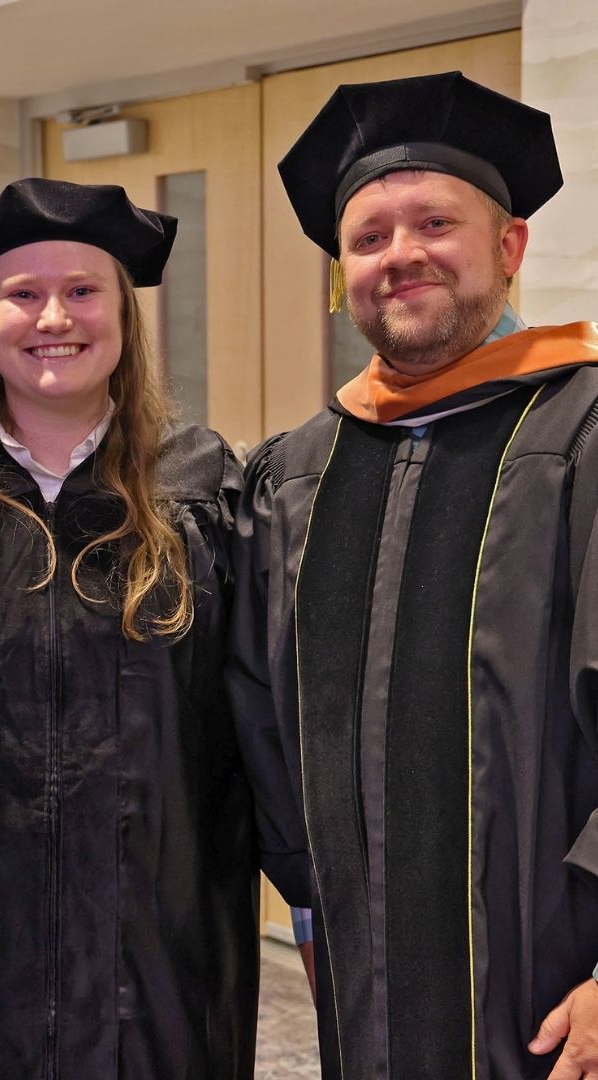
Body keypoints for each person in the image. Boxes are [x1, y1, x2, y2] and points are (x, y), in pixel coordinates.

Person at [0, 177, 310, 1079]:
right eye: (21, 294)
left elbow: (261, 705)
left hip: (163, 950)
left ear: (123, 316)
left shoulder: (206, 480)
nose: (53, 316)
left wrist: (315, 894)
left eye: (83, 290)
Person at [236, 71, 598, 1079]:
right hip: (364, 984)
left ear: (510, 245)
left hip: (565, 989)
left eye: (435, 223)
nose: (403, 257)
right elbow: (262, 717)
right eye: (369, 238)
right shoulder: (295, 474)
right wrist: (309, 899)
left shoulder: (584, 436)